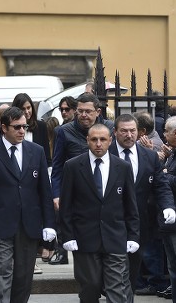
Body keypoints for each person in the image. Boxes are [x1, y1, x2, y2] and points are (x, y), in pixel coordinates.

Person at [0, 106, 56, 303]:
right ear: (3, 127)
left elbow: (44, 191)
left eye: (24, 127)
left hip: (28, 225)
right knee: (2, 275)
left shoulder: (36, 152)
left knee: (23, 277)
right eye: (17, 127)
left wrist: (50, 224)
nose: (22, 131)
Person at [59, 123, 140, 303]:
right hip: (85, 238)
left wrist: (133, 236)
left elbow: (130, 206)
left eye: (102, 139)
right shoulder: (72, 166)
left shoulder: (123, 167)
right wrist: (67, 236)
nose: (98, 144)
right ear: (87, 140)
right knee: (90, 286)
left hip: (115, 237)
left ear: (110, 141)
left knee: (117, 287)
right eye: (94, 139)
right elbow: (66, 206)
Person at [109, 114, 176, 302]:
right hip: (110, 224)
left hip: (139, 225)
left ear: (139, 133)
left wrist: (168, 207)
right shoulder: (105, 153)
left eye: (132, 131)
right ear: (115, 132)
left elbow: (161, 186)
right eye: (124, 131)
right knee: (115, 273)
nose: (129, 135)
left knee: (131, 273)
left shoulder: (149, 156)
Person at [50, 92, 114, 265]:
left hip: (103, 189)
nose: (83, 115)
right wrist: (56, 194)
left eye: (88, 111)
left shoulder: (109, 128)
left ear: (98, 112)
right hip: (76, 190)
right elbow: (57, 166)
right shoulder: (64, 131)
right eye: (80, 111)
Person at [160, 115, 176, 301]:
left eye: (165, 130)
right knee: (173, 269)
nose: (163, 134)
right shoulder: (172, 152)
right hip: (169, 221)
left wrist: (165, 175)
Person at [12, 93, 51, 166]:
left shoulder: (41, 126)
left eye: (28, 108)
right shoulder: (11, 128)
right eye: (23, 109)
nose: (27, 112)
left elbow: (46, 155)